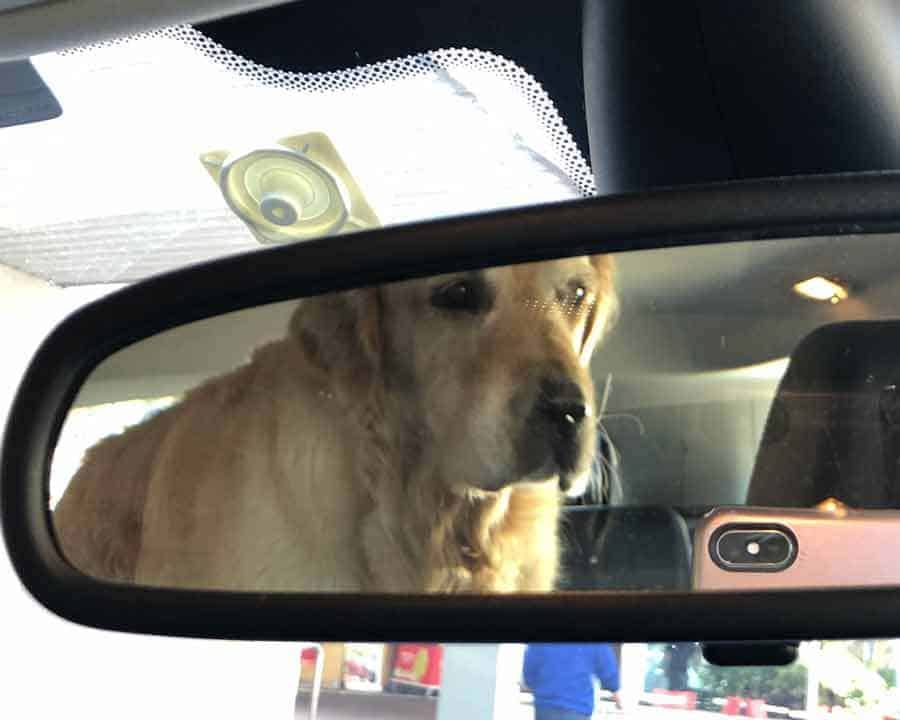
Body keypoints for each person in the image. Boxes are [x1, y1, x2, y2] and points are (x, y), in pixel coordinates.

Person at [523, 643, 622, 720]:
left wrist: (530, 682)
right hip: (577, 706)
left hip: (546, 706)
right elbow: (606, 662)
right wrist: (613, 687)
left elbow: (531, 661)